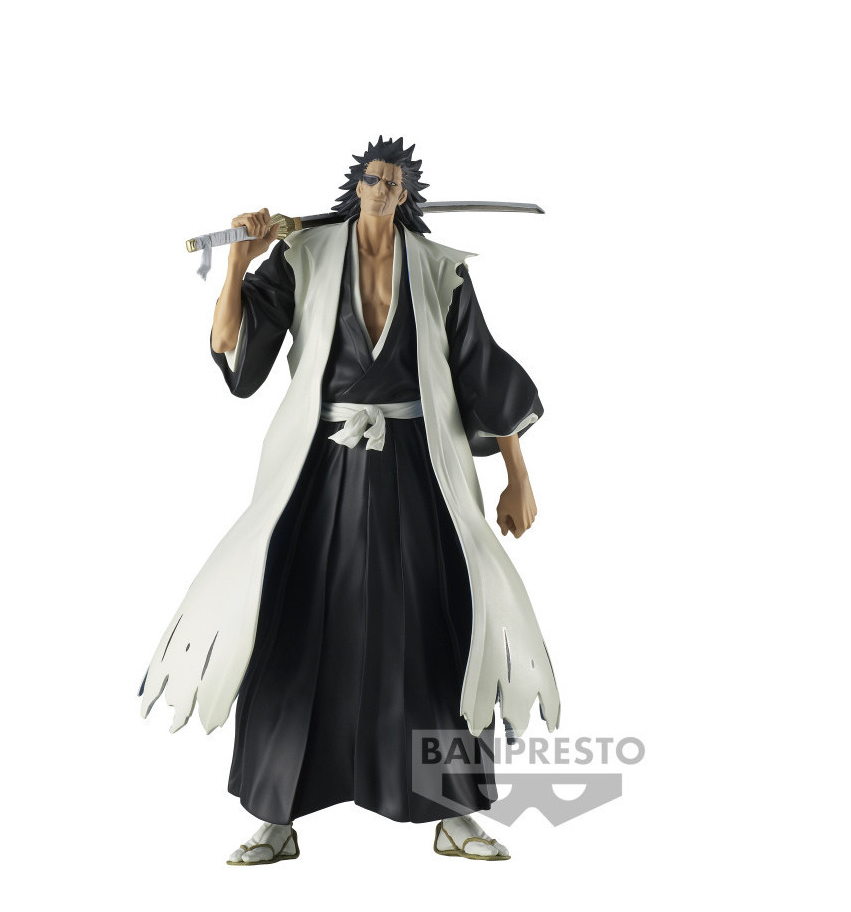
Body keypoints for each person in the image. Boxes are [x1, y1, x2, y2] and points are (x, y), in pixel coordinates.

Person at [140, 137, 560, 864]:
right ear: (356, 186)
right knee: (291, 623)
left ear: (405, 196)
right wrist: (239, 263)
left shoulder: (439, 270)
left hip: (418, 471)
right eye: (371, 178)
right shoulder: (303, 256)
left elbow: (483, 374)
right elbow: (236, 351)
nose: (380, 189)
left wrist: (517, 477)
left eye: (393, 182)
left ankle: (454, 809)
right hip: (320, 471)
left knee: (437, 626)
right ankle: (275, 812)